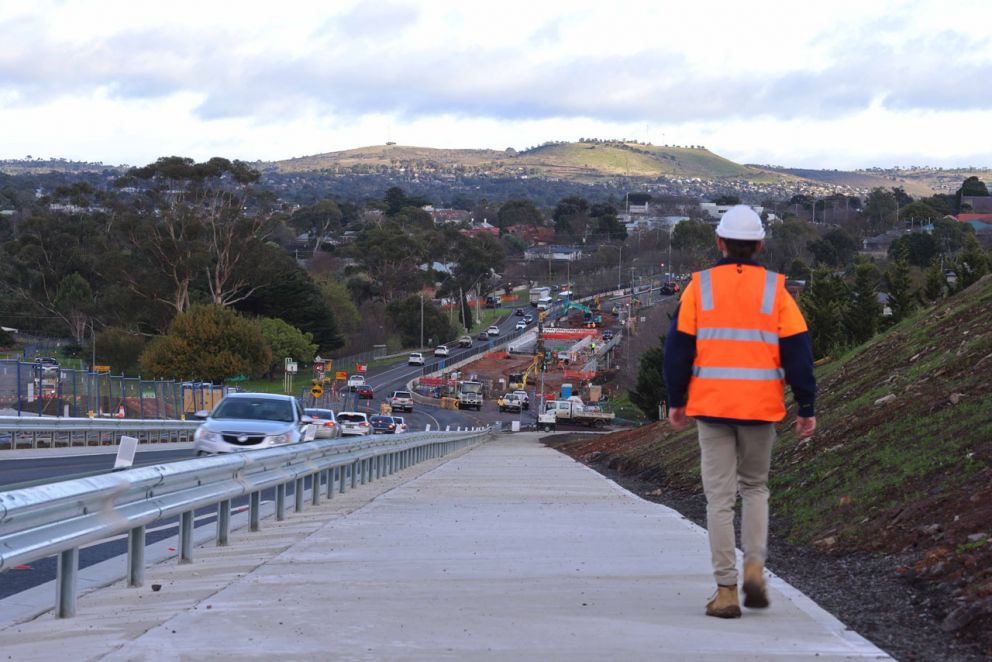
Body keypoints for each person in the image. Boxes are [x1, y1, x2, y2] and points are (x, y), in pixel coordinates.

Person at [662, 205, 817, 619]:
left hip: (711, 405)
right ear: (760, 245)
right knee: (755, 489)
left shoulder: (699, 287)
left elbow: (677, 350)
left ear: (719, 242)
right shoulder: (776, 290)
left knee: (719, 499)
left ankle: (726, 590)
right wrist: (807, 405)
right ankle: (754, 570)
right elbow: (799, 352)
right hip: (760, 407)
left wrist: (676, 400)